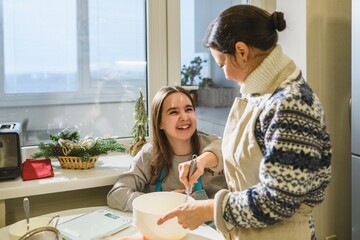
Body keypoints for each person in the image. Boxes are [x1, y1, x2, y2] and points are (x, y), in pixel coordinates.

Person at [157, 5, 332, 240]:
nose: (226, 75)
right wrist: (207, 160)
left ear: (241, 51)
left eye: (222, 64)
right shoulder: (260, 94)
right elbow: (252, 148)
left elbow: (278, 200)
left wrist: (209, 209)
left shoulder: (292, 104)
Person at [107, 86, 227, 212]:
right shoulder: (148, 155)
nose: (185, 117)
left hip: (215, 228)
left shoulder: (212, 144)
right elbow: (116, 195)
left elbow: (225, 149)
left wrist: (202, 161)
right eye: (174, 112)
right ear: (160, 123)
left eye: (189, 109)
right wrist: (161, 201)